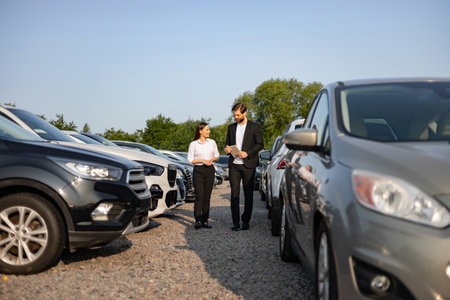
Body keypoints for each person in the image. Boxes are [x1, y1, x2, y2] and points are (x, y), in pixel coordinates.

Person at [224, 103, 264, 231]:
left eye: (238, 115)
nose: (235, 117)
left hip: (249, 165)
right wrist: (227, 149)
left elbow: (260, 144)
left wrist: (248, 153)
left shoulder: (254, 127)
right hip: (234, 165)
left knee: (248, 195)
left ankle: (245, 221)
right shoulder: (231, 128)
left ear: (245, 113)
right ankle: (235, 222)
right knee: (234, 194)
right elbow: (227, 144)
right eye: (234, 115)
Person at [188, 122, 219, 229]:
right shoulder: (193, 144)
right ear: (200, 131)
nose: (209, 131)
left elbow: (217, 155)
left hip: (210, 170)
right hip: (199, 170)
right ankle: (198, 220)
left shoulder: (212, 142)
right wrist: (202, 160)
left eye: (208, 129)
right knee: (199, 196)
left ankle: (205, 220)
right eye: (206, 129)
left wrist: (211, 160)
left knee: (207, 196)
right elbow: (191, 160)